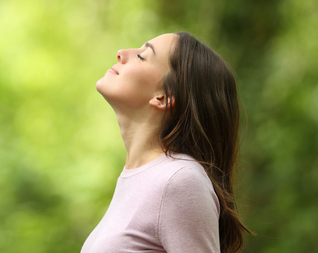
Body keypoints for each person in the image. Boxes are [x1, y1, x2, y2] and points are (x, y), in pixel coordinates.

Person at [81, 32, 253, 253]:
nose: (121, 53)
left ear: (164, 97)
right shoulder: (139, 177)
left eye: (142, 56)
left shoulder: (179, 180)